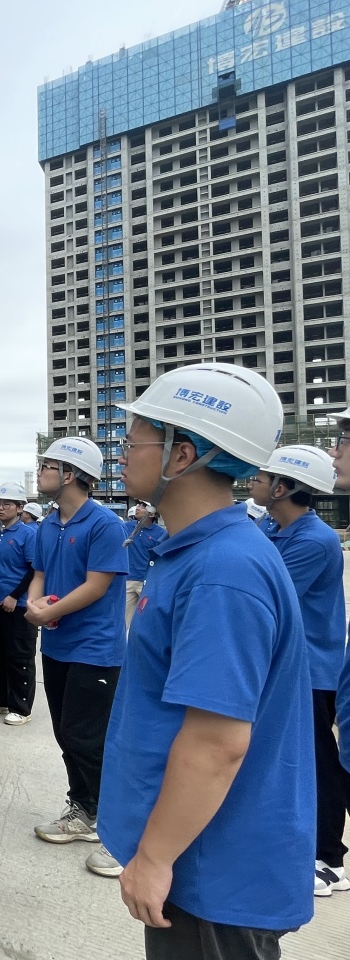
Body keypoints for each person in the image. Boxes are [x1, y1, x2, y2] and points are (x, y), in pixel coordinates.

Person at [102, 362, 314, 958]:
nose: (122, 453)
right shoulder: (199, 552)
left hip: (212, 866)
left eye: (133, 441)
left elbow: (217, 742)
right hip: (198, 846)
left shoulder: (224, 571)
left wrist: (155, 857)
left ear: (181, 455)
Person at [250, 444, 350, 898]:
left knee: (318, 763)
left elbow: (269, 596)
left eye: (263, 477)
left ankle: (330, 858)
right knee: (292, 759)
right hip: (288, 665)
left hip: (311, 669)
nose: (254, 481)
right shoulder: (273, 527)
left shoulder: (314, 540)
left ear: (283, 488)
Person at [25, 435, 127, 876]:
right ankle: (83, 808)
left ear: (70, 474)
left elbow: (96, 586)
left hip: (95, 648)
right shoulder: (49, 524)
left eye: (48, 466)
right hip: (58, 644)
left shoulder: (104, 525)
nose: (41, 472)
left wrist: (48, 612)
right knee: (67, 734)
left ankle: (113, 822)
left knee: (88, 737)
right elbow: (40, 572)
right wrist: (34, 604)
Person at [0, 481, 37, 726]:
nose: (1, 508)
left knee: (19, 656)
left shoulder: (28, 534)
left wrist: (15, 595)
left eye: (7, 504)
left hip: (17, 604)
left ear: (20, 507)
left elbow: (35, 569)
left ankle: (20, 707)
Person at [121, 502, 167, 628]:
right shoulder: (125, 527)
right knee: (125, 621)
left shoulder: (160, 534)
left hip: (148, 581)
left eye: (142, 506)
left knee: (147, 619)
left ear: (151, 514)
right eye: (138, 505)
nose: (138, 508)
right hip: (128, 579)